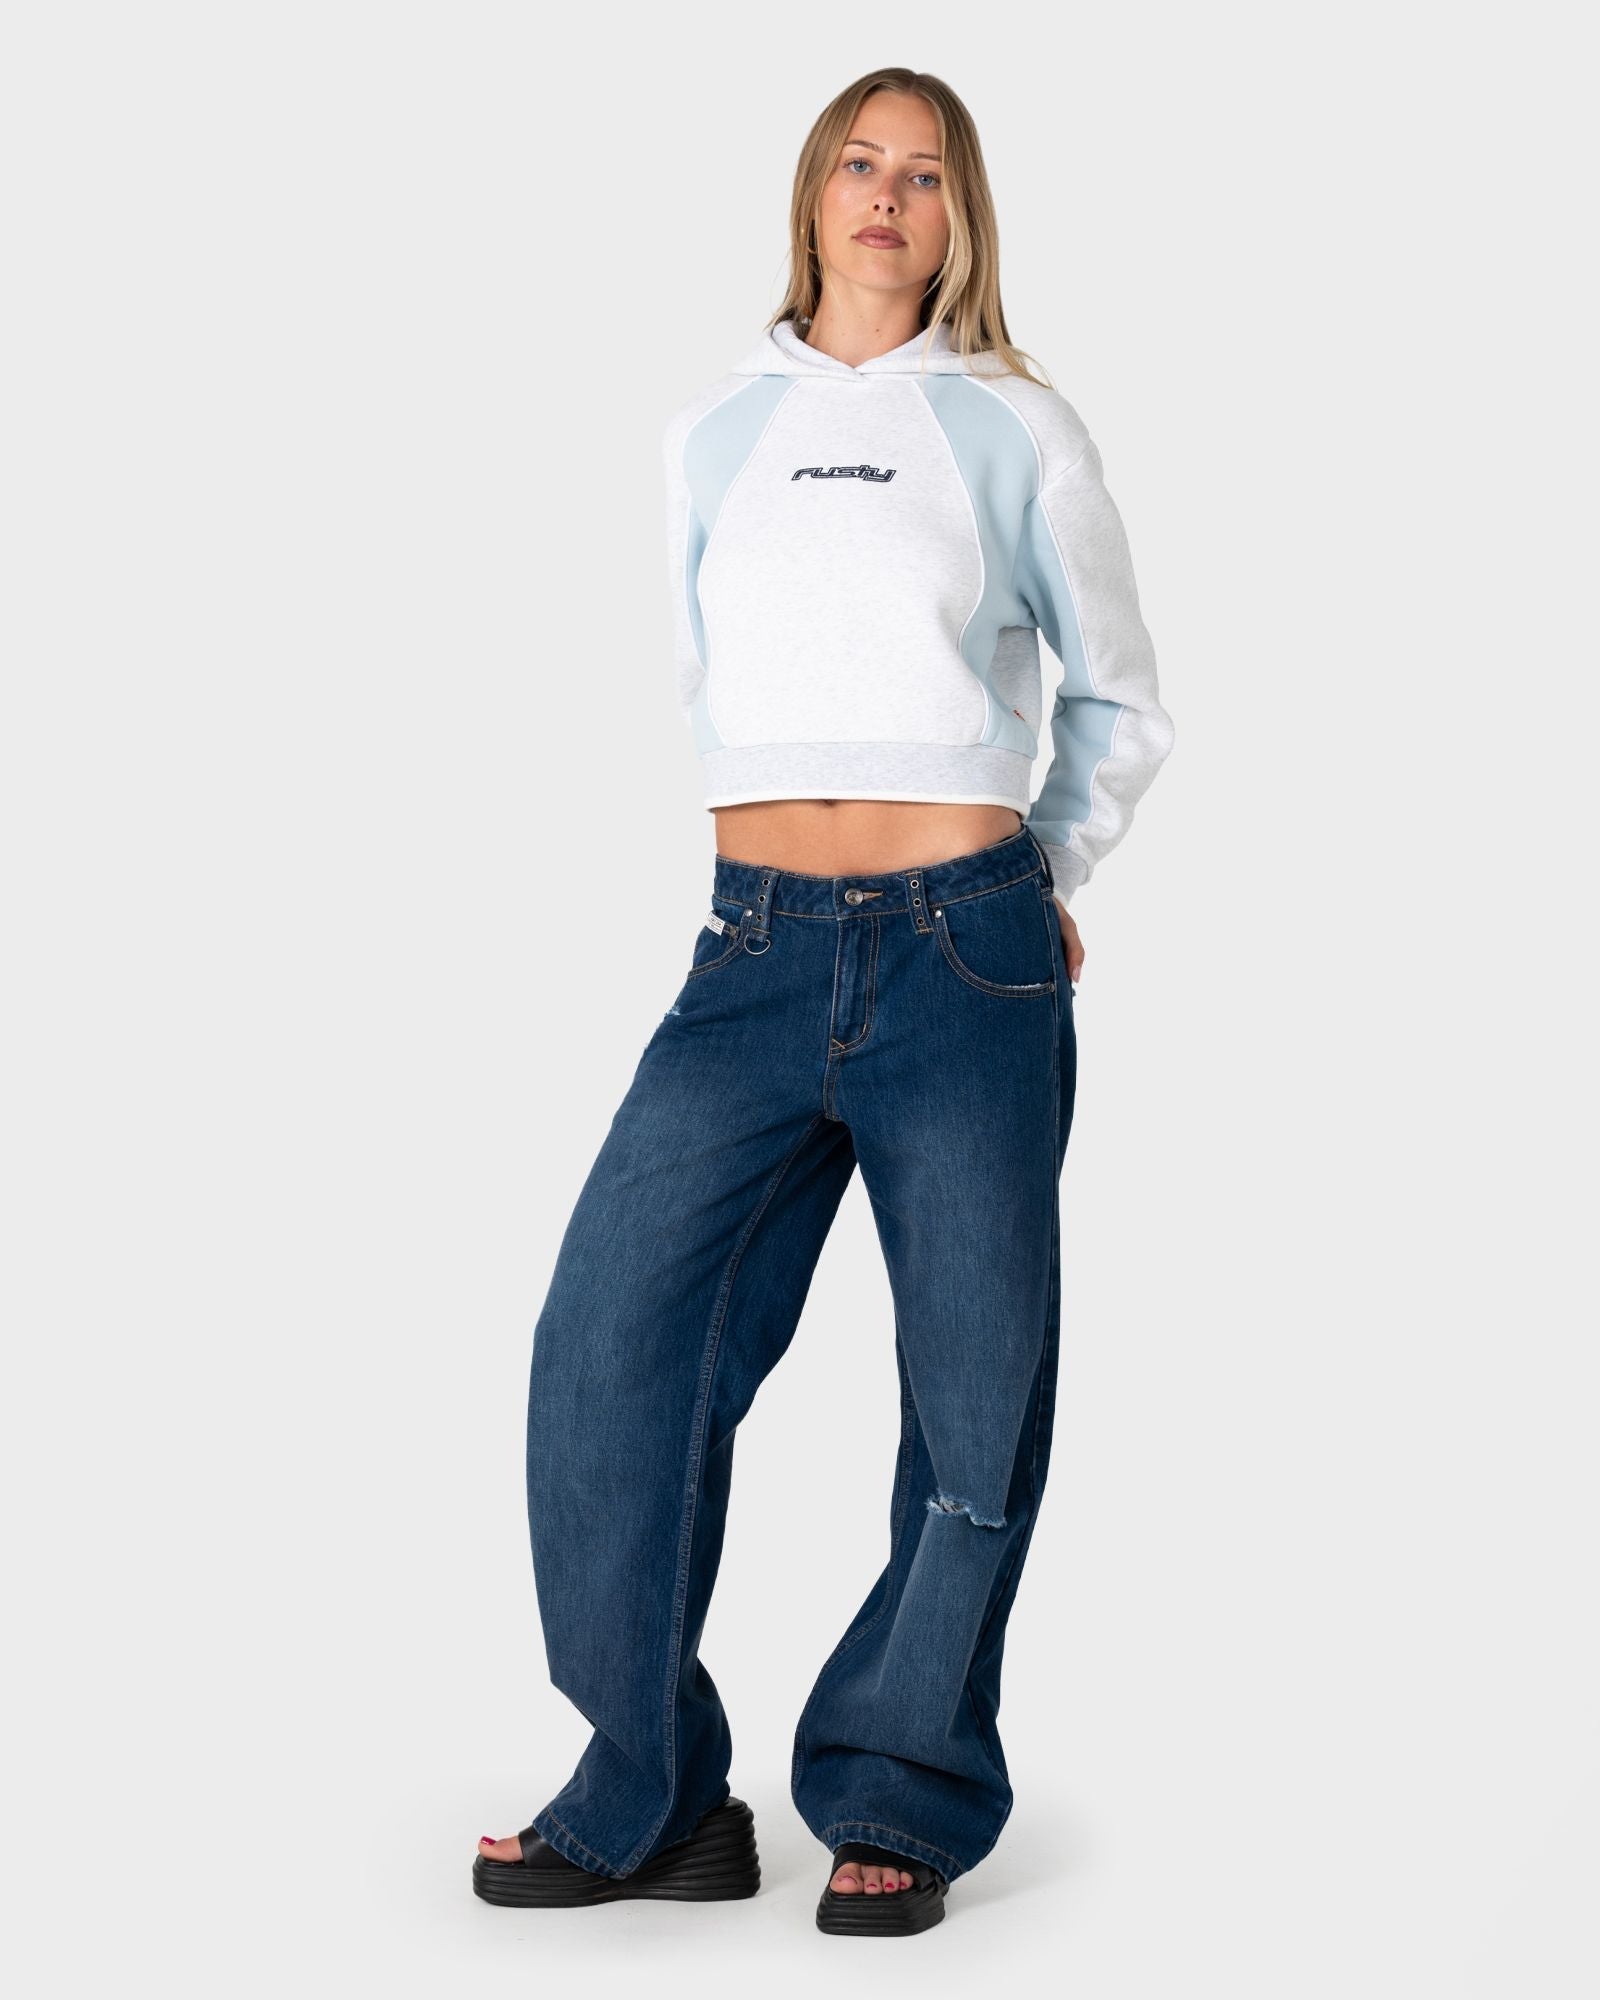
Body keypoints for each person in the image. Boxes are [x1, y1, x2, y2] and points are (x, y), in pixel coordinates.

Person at [472, 65, 1174, 1938]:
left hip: (968, 954)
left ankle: (900, 1788)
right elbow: (722, 686)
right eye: (859, 163)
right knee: (609, 1349)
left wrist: (1049, 872)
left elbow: (1120, 696)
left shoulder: (1017, 425)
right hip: (753, 951)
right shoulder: (714, 431)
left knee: (972, 1391)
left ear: (961, 219)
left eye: (924, 175)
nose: (887, 196)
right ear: (810, 196)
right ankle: (651, 1791)